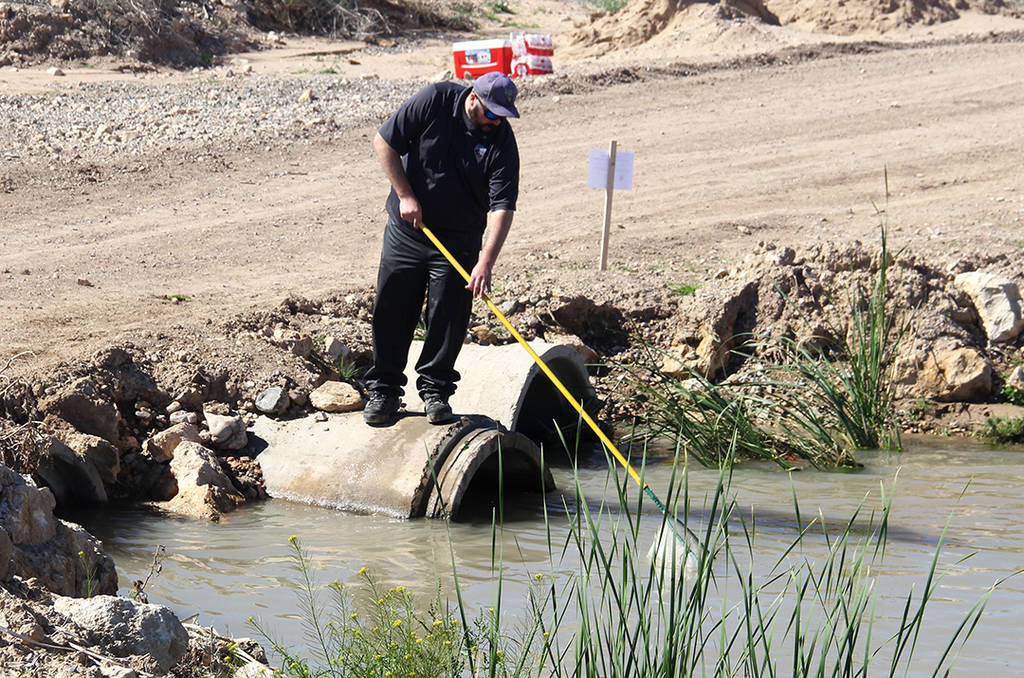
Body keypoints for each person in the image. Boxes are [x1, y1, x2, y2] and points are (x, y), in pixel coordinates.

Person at [363, 71, 521, 426]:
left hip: (460, 238)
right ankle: (384, 390)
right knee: (392, 307)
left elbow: (502, 206)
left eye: (502, 116)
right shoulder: (435, 99)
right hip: (409, 229)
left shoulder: (501, 142)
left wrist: (486, 262)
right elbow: (383, 142)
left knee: (448, 315)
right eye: (492, 113)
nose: (496, 121)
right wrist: (405, 195)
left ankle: (435, 391)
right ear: (472, 100)